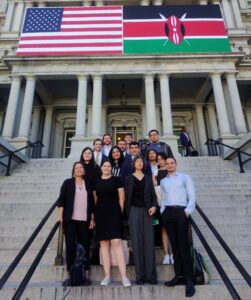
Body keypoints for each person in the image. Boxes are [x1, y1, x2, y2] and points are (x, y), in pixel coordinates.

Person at [160, 157, 196, 297]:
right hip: (168, 213)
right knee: (174, 246)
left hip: (181, 212)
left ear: (176, 164)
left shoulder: (185, 177)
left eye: (171, 163)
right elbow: (163, 198)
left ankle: (189, 279)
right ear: (165, 165)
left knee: (184, 245)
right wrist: (163, 211)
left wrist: (187, 211)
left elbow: (192, 196)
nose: (169, 165)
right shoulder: (163, 181)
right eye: (167, 163)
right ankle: (178, 275)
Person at [93, 160, 131, 287]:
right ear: (101, 167)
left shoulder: (117, 180)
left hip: (114, 213)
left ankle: (124, 276)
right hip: (100, 214)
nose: (107, 168)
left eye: (109, 166)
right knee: (104, 244)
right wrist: (94, 217)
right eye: (104, 166)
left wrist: (118, 213)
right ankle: (107, 276)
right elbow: (95, 200)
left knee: (117, 242)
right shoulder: (96, 181)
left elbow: (122, 199)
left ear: (111, 168)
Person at [56, 162, 95, 286]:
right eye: (76, 168)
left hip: (85, 220)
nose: (78, 170)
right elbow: (61, 200)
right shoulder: (67, 183)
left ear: (84, 170)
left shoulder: (88, 184)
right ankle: (71, 273)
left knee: (85, 246)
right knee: (71, 247)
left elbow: (92, 204)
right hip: (70, 220)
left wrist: (92, 219)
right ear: (73, 171)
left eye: (81, 168)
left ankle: (86, 274)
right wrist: (60, 216)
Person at [125, 156, 158, 285]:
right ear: (134, 164)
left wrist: (154, 206)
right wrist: (128, 213)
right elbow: (126, 198)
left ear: (144, 164)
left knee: (149, 241)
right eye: (137, 161)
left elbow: (153, 196)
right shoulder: (128, 179)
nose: (139, 163)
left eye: (141, 162)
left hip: (147, 211)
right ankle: (140, 276)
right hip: (133, 211)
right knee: (137, 243)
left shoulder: (149, 179)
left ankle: (151, 276)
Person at [152, 152, 174, 265]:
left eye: (161, 159)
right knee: (164, 229)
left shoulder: (171, 171)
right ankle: (166, 254)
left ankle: (173, 253)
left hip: (173, 204)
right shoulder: (155, 172)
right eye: (158, 159)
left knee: (173, 230)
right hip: (161, 205)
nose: (160, 161)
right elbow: (154, 189)